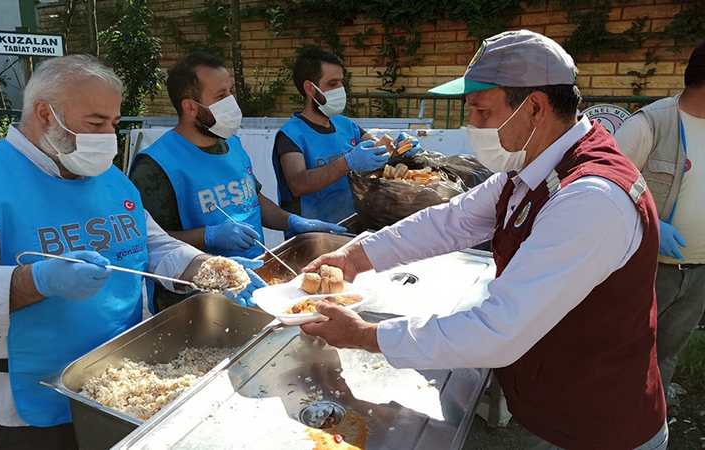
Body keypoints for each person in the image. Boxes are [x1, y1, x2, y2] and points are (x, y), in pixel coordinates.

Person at [299, 31, 667, 450]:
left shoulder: (589, 199)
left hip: (598, 427)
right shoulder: (534, 167)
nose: (471, 125)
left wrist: (366, 336)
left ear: (534, 107)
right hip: (554, 403)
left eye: (481, 111)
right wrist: (354, 255)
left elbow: (498, 330)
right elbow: (450, 220)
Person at [0, 55, 262, 450]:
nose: (107, 139)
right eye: (95, 123)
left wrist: (205, 267)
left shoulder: (110, 178)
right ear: (45, 114)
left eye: (113, 124)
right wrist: (38, 280)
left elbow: (152, 245)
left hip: (117, 385)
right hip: (27, 405)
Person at [130, 52, 345, 310]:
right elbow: (152, 242)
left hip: (255, 279)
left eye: (231, 92)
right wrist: (209, 237)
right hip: (197, 302)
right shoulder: (155, 165)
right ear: (190, 107)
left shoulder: (230, 143)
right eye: (221, 96)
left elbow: (252, 200)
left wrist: (292, 221)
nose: (232, 102)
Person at [615, 41, 705, 399]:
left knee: (666, 356)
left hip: (698, 274)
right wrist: (651, 222)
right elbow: (603, 187)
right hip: (650, 270)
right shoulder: (651, 124)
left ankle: (650, 424)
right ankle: (610, 423)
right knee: (625, 353)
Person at [273, 46, 422, 226]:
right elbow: (298, 184)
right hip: (314, 235)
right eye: (332, 84)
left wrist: (401, 148)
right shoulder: (290, 135)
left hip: (354, 225)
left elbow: (380, 150)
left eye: (341, 82)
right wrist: (347, 163)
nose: (341, 89)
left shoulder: (346, 125)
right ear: (310, 89)